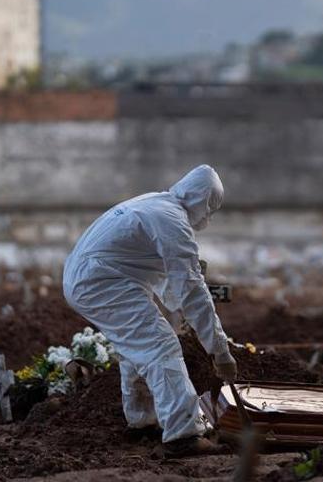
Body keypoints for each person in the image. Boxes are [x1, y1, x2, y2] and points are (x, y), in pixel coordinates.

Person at [63, 164, 237, 457]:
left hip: (91, 277)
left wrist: (186, 298)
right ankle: (184, 436)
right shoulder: (172, 221)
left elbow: (169, 276)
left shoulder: (157, 203)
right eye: (210, 209)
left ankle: (143, 421)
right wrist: (220, 351)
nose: (207, 217)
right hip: (99, 282)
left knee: (139, 348)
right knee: (161, 346)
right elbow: (193, 291)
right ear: (204, 202)